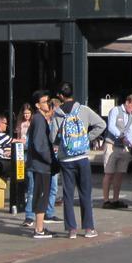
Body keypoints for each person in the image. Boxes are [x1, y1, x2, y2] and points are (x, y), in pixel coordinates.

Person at [50, 83, 105, 239]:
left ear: (60, 96)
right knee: (85, 193)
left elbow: (53, 138)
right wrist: (86, 139)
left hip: (66, 159)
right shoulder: (84, 110)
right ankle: (88, 228)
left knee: (68, 193)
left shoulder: (57, 114)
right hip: (82, 157)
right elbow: (102, 124)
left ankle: (71, 229)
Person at [26, 90, 58, 239]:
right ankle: (39, 229)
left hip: (41, 164)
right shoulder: (39, 119)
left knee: (42, 195)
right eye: (45, 102)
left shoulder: (40, 118)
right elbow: (39, 144)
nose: (48, 104)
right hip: (41, 165)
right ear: (38, 105)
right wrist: (50, 160)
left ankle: (40, 227)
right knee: (42, 195)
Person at [102, 95, 132, 209]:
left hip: (123, 148)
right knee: (109, 173)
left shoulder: (131, 117)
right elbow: (111, 127)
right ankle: (106, 200)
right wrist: (120, 135)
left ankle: (115, 199)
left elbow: (130, 134)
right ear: (127, 102)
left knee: (120, 174)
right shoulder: (115, 110)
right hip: (111, 145)